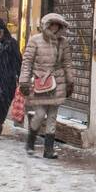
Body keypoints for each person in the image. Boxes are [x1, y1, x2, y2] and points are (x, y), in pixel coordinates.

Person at [19, 13, 75, 159]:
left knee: (52, 117)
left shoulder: (63, 42)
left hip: (58, 83)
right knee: (39, 114)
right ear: (47, 25)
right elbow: (27, 63)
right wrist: (24, 81)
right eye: (52, 24)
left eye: (58, 25)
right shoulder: (35, 41)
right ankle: (30, 143)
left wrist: (70, 81)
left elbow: (67, 63)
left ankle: (48, 150)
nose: (55, 28)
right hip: (40, 83)